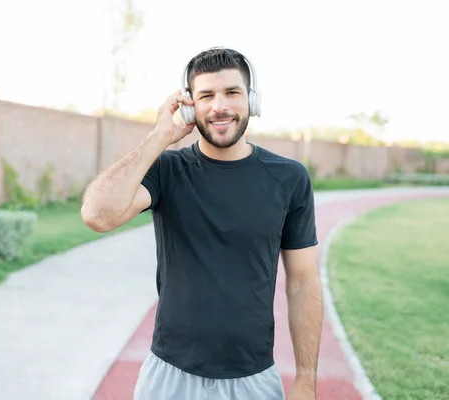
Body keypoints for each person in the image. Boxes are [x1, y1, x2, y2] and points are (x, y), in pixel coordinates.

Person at [81, 47, 323, 400]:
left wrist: (305, 380)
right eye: (206, 95)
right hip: (169, 377)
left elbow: (303, 281)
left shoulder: (289, 178)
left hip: (253, 379)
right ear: (190, 104)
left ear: (251, 101)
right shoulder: (166, 170)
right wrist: (159, 137)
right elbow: (97, 215)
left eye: (232, 93)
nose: (219, 105)